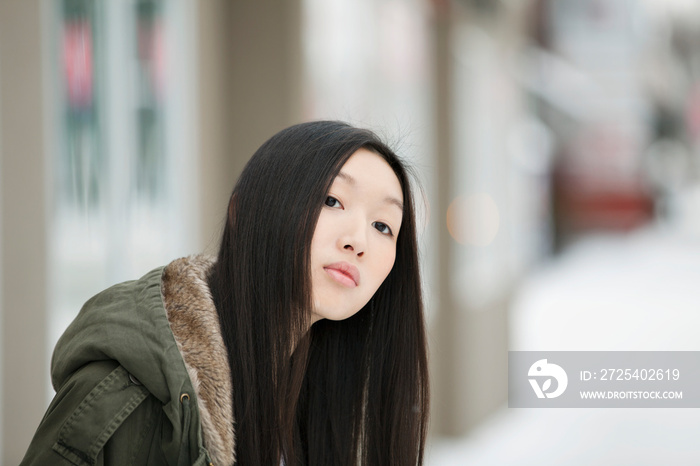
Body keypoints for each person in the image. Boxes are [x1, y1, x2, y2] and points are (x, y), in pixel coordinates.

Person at [20, 120, 430, 466]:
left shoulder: (315, 398)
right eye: (331, 199)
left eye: (383, 226)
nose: (358, 240)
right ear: (243, 212)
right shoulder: (130, 398)